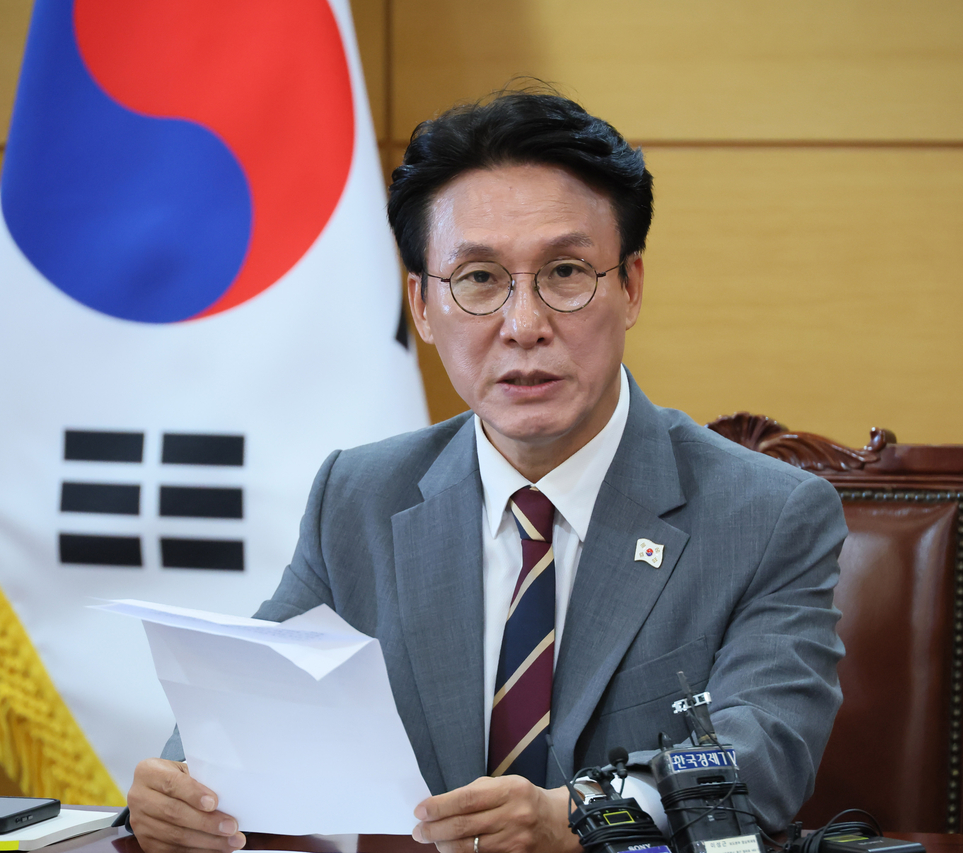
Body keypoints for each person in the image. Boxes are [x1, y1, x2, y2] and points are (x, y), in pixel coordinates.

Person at [125, 89, 847, 853]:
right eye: (478, 278)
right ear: (422, 305)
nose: (524, 325)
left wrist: (580, 815)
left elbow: (763, 751)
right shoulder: (360, 498)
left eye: (565, 272)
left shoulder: (767, 515)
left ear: (631, 286)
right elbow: (242, 711)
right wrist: (183, 789)